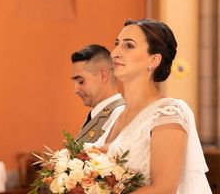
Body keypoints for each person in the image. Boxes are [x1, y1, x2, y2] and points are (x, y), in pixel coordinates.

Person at [96, 19, 211, 194]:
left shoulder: (167, 113)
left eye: (129, 46)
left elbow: (163, 190)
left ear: (154, 59)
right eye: (117, 44)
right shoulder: (115, 114)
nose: (115, 53)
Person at [71, 44, 124, 143]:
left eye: (81, 81)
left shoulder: (120, 114)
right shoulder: (97, 113)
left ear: (103, 76)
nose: (76, 90)